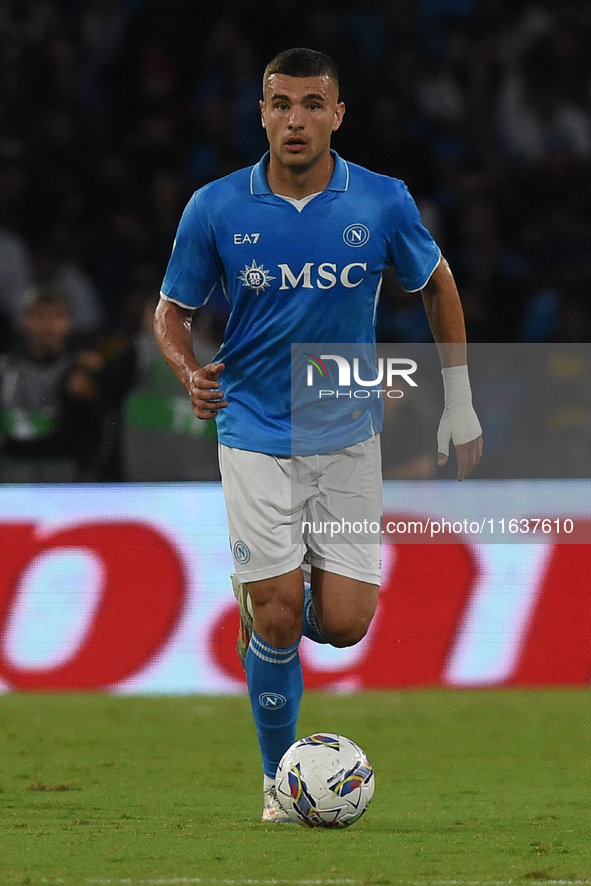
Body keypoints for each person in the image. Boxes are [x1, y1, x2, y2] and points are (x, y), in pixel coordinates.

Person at [154, 48, 483, 822]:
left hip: (345, 431)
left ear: (338, 114)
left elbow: (435, 282)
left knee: (342, 624)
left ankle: (274, 595)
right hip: (253, 428)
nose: (294, 119)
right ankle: (278, 781)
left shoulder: (381, 200)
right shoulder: (215, 207)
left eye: (311, 104)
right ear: (260, 112)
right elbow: (170, 309)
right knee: (275, 613)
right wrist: (185, 368)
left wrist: (457, 399)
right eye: (279, 104)